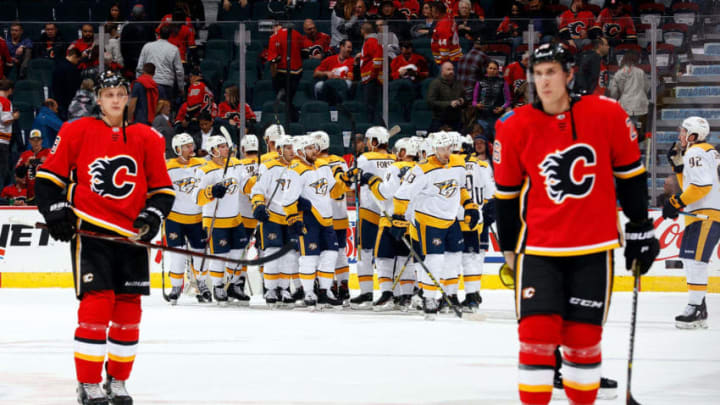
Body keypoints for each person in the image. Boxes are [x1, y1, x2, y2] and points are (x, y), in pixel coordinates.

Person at [493, 43, 658, 405]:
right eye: (537, 73)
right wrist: (508, 249)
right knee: (536, 337)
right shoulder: (514, 125)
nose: (543, 81)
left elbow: (630, 175)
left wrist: (641, 226)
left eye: (551, 72)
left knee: (583, 342)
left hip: (593, 248)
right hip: (537, 249)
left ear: (569, 74)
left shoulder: (607, 113)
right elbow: (505, 197)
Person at [35, 70, 175, 405]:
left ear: (128, 99)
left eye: (120, 94)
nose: (114, 100)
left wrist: (151, 217)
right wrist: (56, 213)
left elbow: (162, 191)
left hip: (131, 238)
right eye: (108, 94)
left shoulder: (148, 137)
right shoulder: (75, 130)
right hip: (93, 232)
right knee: (97, 308)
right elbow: (47, 178)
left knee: (129, 313)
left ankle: (118, 380)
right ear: (98, 99)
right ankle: (88, 383)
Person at [391, 131, 479, 318]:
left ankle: (450, 295)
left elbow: (460, 188)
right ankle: (429, 297)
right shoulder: (421, 169)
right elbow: (401, 194)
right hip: (429, 220)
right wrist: (399, 217)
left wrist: (469, 206)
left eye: (449, 148)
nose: (446, 152)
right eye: (442, 148)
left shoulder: (459, 164)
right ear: (433, 149)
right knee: (435, 260)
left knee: (454, 259)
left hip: (451, 219)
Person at [283, 135, 353, 307]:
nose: (316, 150)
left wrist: (345, 180)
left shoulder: (323, 166)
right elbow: (288, 199)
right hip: (309, 219)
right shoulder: (295, 170)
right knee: (309, 257)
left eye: (315, 147)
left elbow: (334, 192)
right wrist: (293, 219)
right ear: (300, 151)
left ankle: (324, 291)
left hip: (327, 219)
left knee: (331, 255)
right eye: (310, 148)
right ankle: (308, 293)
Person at [663, 116, 716, 329]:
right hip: (703, 212)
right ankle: (698, 306)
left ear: (693, 135)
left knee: (696, 261)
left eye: (683, 132)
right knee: (691, 259)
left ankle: (695, 308)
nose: (680, 136)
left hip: (706, 213)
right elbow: (694, 184)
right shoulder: (705, 151)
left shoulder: (696, 151)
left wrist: (676, 202)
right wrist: (678, 168)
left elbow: (701, 187)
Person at [195, 135, 254, 304]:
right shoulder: (205, 170)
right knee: (219, 255)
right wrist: (211, 192)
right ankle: (218, 286)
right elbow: (197, 198)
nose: (225, 149)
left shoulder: (236, 164)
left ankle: (233, 284)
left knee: (238, 254)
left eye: (226, 146)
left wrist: (257, 179)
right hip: (215, 220)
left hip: (235, 219)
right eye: (221, 146)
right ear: (213, 150)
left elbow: (245, 186)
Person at [362, 137, 419, 310]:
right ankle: (406, 296)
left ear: (403, 152)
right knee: (405, 259)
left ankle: (387, 294)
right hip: (411, 221)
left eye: (398, 150)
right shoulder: (422, 169)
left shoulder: (395, 167)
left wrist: (371, 180)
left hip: (390, 220)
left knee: (382, 257)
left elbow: (383, 193)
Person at [251, 134, 300, 306]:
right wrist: (258, 205)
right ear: (279, 149)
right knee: (272, 252)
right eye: (287, 147)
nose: (291, 151)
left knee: (289, 254)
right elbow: (257, 190)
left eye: (292, 147)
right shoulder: (268, 167)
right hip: (271, 215)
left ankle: (284, 288)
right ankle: (271, 288)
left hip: (291, 217)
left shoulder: (297, 167)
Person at [351, 126, 396, 308]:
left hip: (369, 211)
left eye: (369, 140)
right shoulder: (394, 159)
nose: (367, 144)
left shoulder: (364, 158)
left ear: (375, 142)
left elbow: (353, 184)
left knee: (365, 252)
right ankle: (399, 293)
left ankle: (366, 293)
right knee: (392, 256)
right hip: (389, 213)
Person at [165, 133, 208, 304]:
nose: (192, 149)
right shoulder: (168, 167)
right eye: (187, 146)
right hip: (174, 218)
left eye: (192, 145)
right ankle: (176, 287)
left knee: (199, 254)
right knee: (178, 255)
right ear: (178, 149)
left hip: (197, 218)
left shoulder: (202, 164)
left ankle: (202, 285)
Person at [312, 131, 353, 303]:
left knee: (322, 253)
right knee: (341, 252)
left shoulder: (316, 163)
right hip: (341, 214)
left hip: (324, 216)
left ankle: (325, 286)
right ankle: (343, 285)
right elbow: (348, 185)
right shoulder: (341, 161)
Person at [267, 22, 307, 121]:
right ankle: (294, 120)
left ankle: (294, 120)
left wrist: (274, 77)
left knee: (285, 100)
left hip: (282, 73)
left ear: (276, 26)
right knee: (288, 99)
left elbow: (273, 61)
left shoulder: (274, 38)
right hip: (297, 72)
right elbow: (305, 50)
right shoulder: (295, 33)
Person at [136, 26, 185, 104]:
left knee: (149, 111)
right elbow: (179, 71)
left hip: (149, 84)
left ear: (159, 34)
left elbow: (139, 67)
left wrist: (138, 83)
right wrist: (181, 88)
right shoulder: (174, 49)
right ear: (169, 35)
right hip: (166, 85)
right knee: (164, 113)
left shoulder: (147, 46)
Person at [608, 50, 650, 140]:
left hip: (626, 104)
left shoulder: (619, 73)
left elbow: (614, 92)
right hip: (640, 103)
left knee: (626, 126)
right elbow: (647, 87)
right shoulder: (641, 72)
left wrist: (614, 99)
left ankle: (631, 142)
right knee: (636, 124)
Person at [472, 61, 510, 141]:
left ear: (497, 70)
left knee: (497, 141)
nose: (492, 70)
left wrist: (502, 108)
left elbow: (508, 101)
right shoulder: (480, 82)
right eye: (490, 68)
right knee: (482, 140)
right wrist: (477, 105)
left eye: (495, 69)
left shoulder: (503, 82)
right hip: (482, 117)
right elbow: (474, 101)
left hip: (497, 117)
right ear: (487, 69)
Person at [427, 61, 465, 132]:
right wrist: (449, 104)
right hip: (440, 120)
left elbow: (464, 97)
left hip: (456, 120)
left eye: (452, 69)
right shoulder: (435, 84)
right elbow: (430, 102)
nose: (451, 72)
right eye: (448, 69)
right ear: (442, 71)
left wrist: (462, 100)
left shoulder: (458, 83)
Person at [358, 22, 384, 124]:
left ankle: (376, 128)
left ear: (363, 31)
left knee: (372, 106)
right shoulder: (370, 41)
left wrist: (372, 75)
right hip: (370, 79)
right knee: (370, 106)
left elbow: (378, 59)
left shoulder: (372, 41)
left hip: (373, 80)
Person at [15, 129, 51, 199]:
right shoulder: (25, 155)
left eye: (38, 140)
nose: (36, 142)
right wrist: (26, 164)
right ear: (30, 141)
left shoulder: (48, 152)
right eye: (33, 140)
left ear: (41, 140)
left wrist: (48, 162)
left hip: (46, 193)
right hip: (31, 194)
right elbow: (18, 173)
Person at [52, 47, 83, 120]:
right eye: (78, 60)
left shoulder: (58, 65)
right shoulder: (72, 69)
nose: (78, 62)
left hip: (58, 100)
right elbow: (73, 87)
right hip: (68, 102)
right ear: (74, 57)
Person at [430, 1, 462, 65]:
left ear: (437, 13)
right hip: (453, 58)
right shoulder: (448, 17)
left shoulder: (443, 25)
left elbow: (444, 45)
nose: (431, 14)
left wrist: (444, 63)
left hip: (448, 60)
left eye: (432, 11)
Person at [0, 79, 18, 187]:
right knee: (2, 171)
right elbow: (6, 121)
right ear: (10, 90)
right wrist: (14, 116)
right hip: (1, 141)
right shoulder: (5, 101)